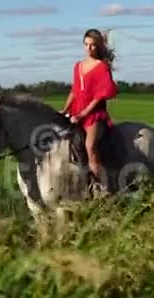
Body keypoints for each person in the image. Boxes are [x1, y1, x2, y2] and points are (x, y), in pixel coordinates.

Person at [61, 28, 118, 187]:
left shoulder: (101, 67)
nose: (89, 48)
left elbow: (100, 95)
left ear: (98, 46)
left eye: (93, 45)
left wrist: (83, 114)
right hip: (76, 111)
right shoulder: (78, 66)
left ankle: (102, 187)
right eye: (86, 44)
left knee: (89, 146)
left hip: (94, 114)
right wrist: (65, 110)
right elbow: (75, 90)